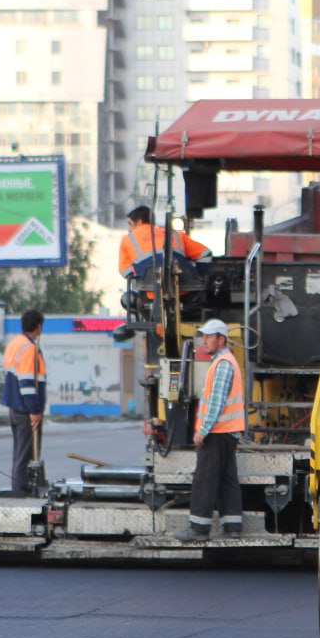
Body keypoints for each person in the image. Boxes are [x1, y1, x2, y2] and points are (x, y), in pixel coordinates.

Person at [174, 318, 244, 542]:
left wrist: (202, 430)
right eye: (203, 336)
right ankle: (232, 527)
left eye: (208, 336)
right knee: (227, 479)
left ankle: (198, 528)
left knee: (205, 478)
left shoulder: (223, 363)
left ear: (221, 339)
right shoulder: (224, 361)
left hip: (217, 431)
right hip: (227, 431)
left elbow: (216, 401)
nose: (204, 340)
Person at [0, 309, 47, 495]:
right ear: (39, 327)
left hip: (15, 408)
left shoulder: (14, 344)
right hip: (25, 410)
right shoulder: (29, 348)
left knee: (19, 453)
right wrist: (34, 410)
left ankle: (19, 489)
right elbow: (27, 383)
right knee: (26, 455)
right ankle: (21, 493)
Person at [118, 205, 213, 280]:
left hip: (150, 293)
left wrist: (139, 279)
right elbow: (205, 253)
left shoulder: (128, 239)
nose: (129, 229)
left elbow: (125, 271)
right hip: (185, 289)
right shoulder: (175, 234)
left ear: (139, 222)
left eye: (130, 224)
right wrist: (199, 275)